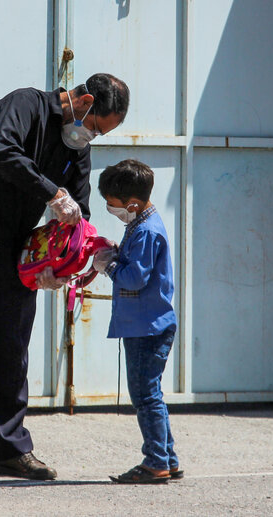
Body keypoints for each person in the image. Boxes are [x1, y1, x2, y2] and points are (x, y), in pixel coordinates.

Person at [0, 74, 130, 483]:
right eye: (94, 126)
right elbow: (0, 152)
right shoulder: (24, 105)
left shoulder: (78, 151)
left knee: (12, 346)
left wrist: (67, 264)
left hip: (19, 249)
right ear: (85, 101)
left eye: (99, 134)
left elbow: (81, 213)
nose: (89, 136)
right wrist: (51, 193)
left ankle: (11, 450)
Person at [92, 159, 182, 485]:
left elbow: (134, 278)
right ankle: (167, 458)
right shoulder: (140, 223)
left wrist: (110, 267)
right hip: (147, 325)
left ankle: (156, 461)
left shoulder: (145, 230)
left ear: (131, 203)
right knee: (151, 394)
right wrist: (116, 251)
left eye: (113, 206)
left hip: (147, 328)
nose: (112, 211)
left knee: (145, 397)